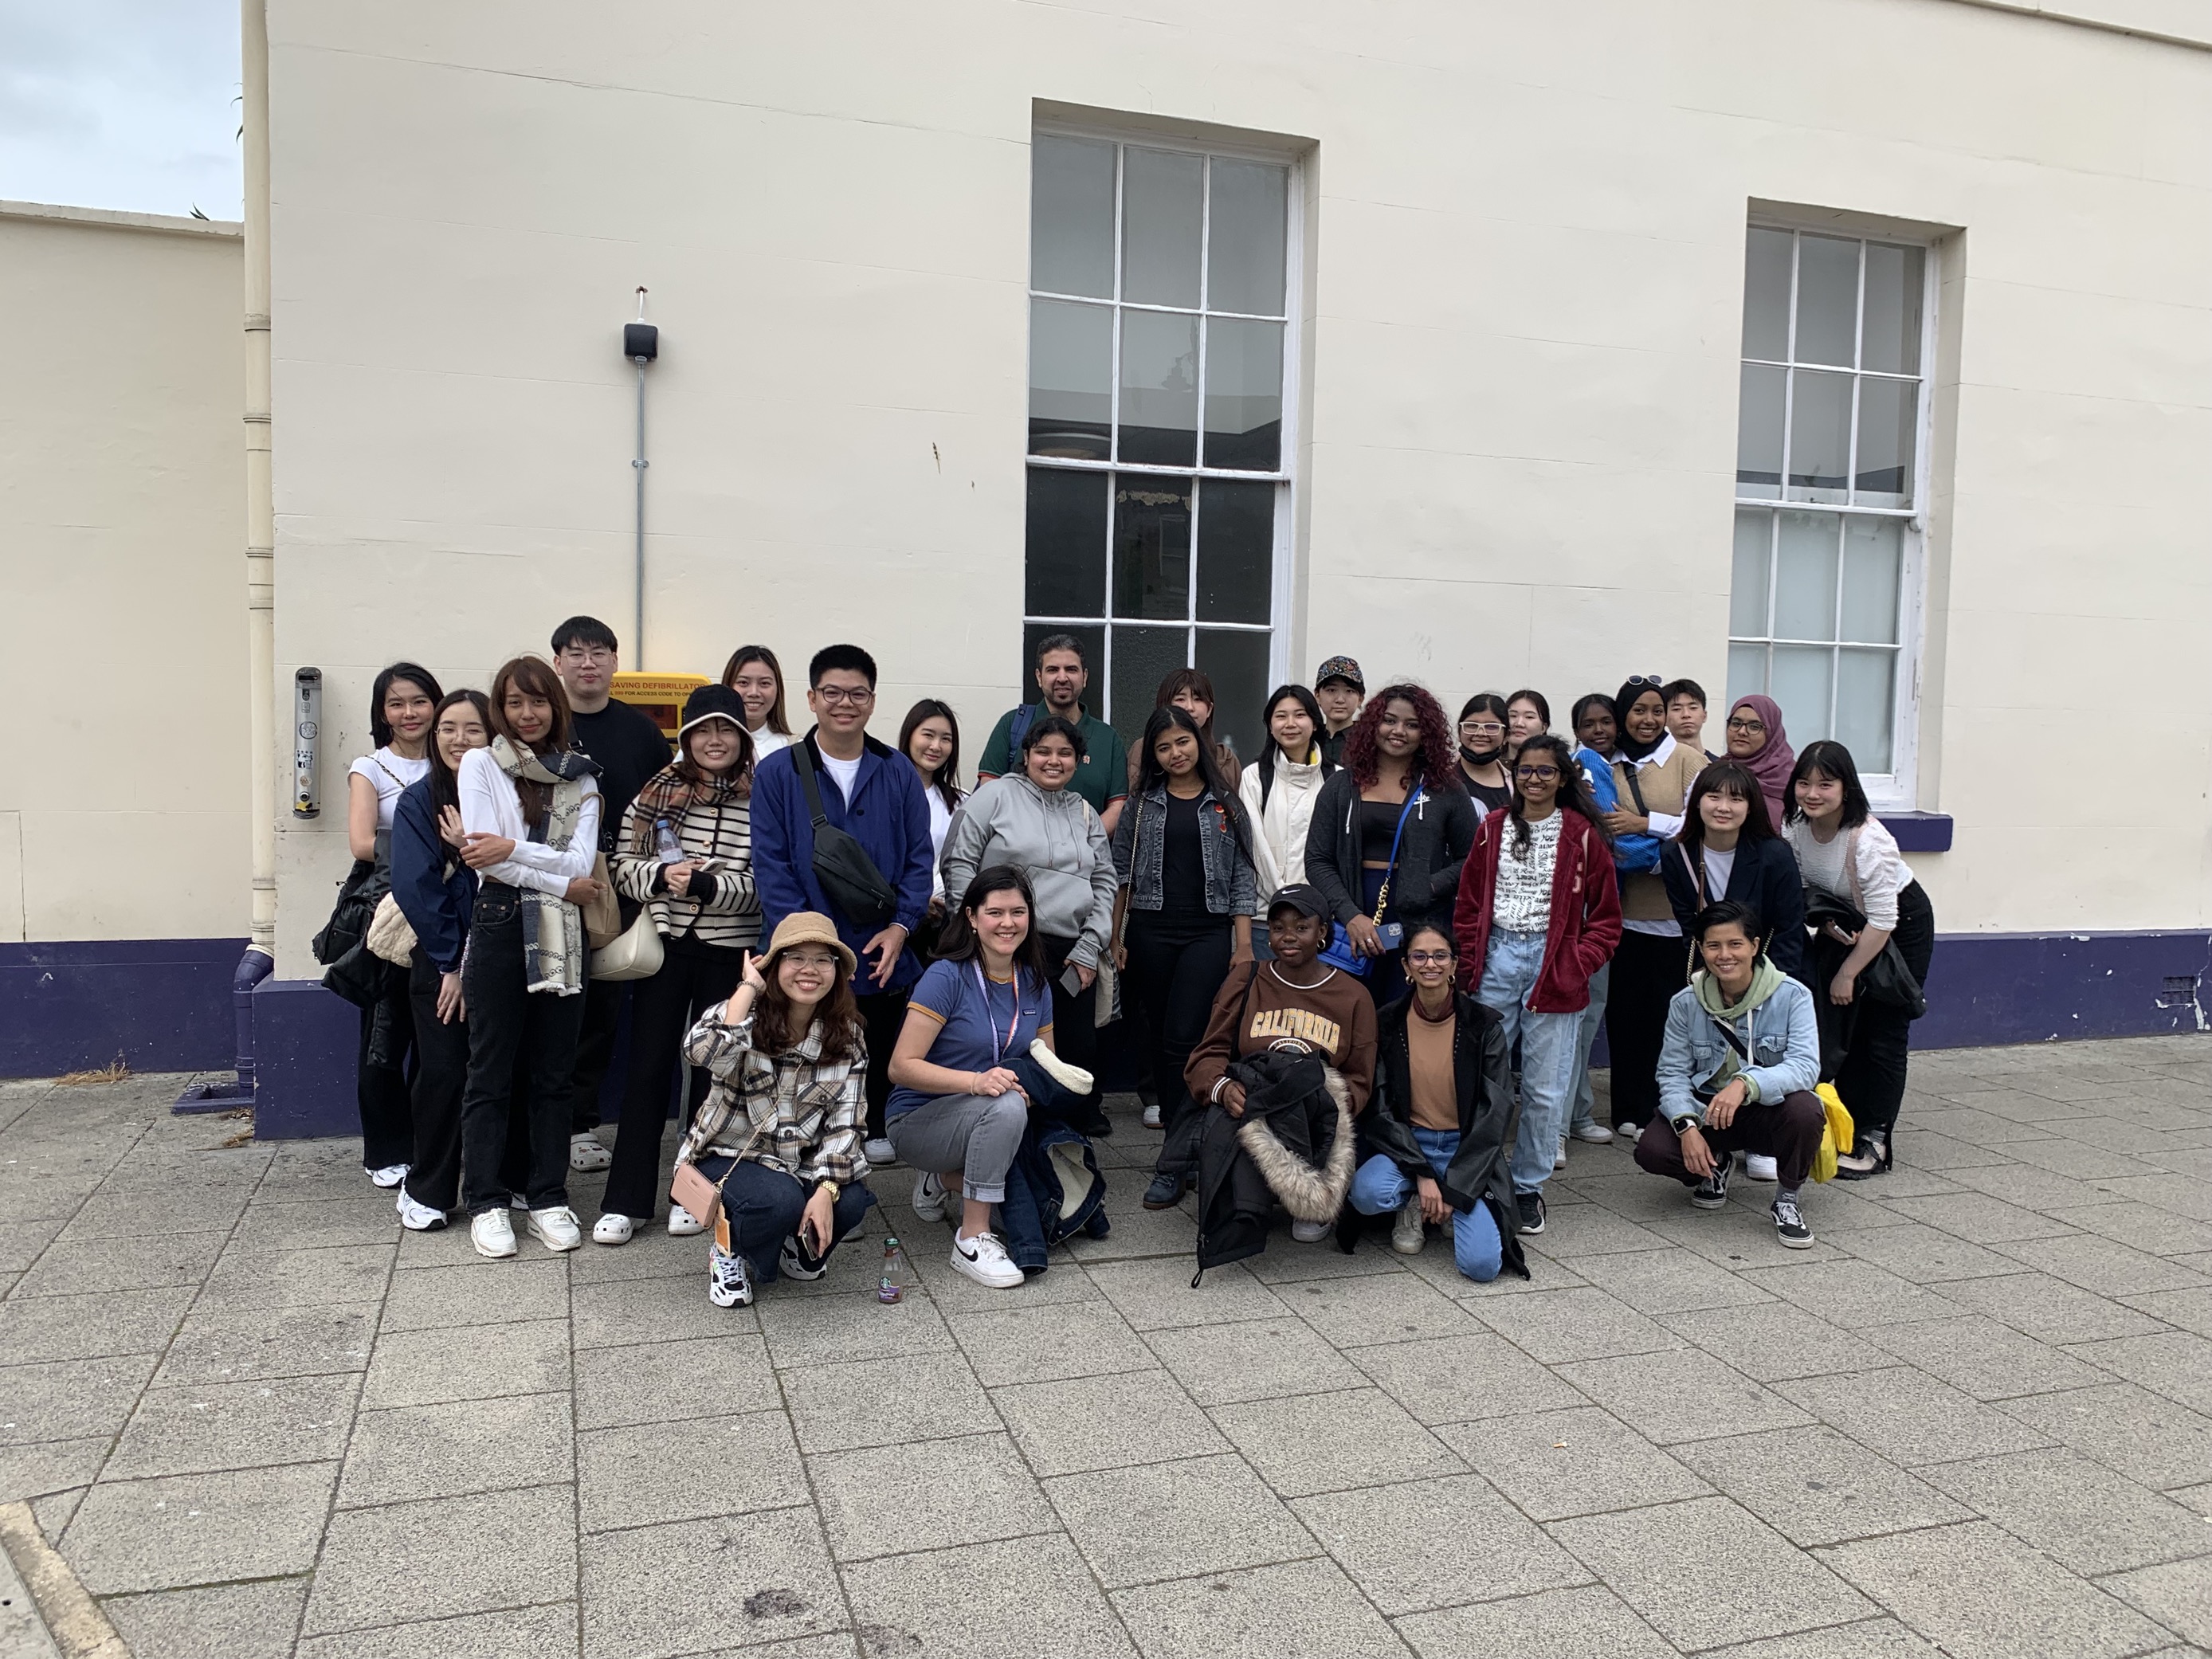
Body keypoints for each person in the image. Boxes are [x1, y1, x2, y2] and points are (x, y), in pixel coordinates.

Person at [751, 644, 935, 1171]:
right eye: (832, 692)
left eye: (857, 693)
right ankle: (807, 1153)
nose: (844, 703)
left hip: (880, 944)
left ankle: (868, 1129)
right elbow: (772, 866)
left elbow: (919, 861)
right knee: (805, 1052)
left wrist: (902, 926)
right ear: (811, 698)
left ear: (873, 701)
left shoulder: (896, 771)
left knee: (872, 1047)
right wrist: (812, 946)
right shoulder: (778, 773)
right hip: (803, 947)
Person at [594, 685, 763, 1245]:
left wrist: (712, 884)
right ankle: (625, 1200)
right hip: (665, 946)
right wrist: (662, 878)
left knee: (715, 1074)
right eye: (703, 731)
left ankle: (692, 1193)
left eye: (726, 730)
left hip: (728, 947)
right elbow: (621, 865)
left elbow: (769, 882)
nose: (715, 741)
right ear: (686, 738)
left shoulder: (764, 796)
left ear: (742, 737)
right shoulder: (657, 790)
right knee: (648, 1068)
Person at [456, 656, 606, 1258]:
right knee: (490, 1071)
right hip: (496, 925)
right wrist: (555, 877)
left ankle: (547, 1196)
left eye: (538, 702)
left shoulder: (582, 778)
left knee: (551, 1073)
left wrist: (516, 848)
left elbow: (579, 863)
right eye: (515, 702)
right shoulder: (479, 764)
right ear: (501, 707)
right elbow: (481, 857)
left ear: (556, 706)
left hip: (561, 935)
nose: (527, 713)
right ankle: (487, 1201)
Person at [888, 866, 1091, 1288]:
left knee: (1035, 1190)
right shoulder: (945, 976)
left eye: (1018, 912)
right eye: (995, 912)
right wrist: (975, 1082)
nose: (1007, 923)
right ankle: (971, 1238)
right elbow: (901, 1066)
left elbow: (1045, 1066)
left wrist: (1033, 1092)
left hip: (994, 1114)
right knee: (1004, 1107)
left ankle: (942, 1178)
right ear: (971, 918)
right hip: (919, 1118)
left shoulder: (1035, 983)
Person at [1452, 735, 1622, 1235]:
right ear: (1513, 774)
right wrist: (1470, 962)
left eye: (1546, 771)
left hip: (1554, 963)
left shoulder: (1582, 835)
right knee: (1486, 1078)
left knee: (1546, 1089)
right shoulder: (1492, 828)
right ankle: (1480, 1173)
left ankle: (1528, 1187)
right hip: (1498, 958)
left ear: (1563, 778)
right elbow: (1467, 905)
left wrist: (1576, 962)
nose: (1534, 779)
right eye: (1526, 770)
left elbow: (1607, 921)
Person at [673, 912, 876, 1308]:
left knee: (849, 1200)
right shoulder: (742, 1013)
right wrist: (749, 985)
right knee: (779, 1201)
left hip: (798, 1160)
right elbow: (702, 1053)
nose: (809, 970)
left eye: (823, 960)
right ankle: (728, 1251)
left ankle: (793, 1245)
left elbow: (847, 1123)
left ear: (837, 971)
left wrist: (826, 1188)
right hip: (729, 1157)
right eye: (796, 957)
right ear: (774, 964)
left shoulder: (848, 1035)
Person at [939, 716, 1116, 1136]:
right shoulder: (995, 796)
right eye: (1043, 751)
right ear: (1026, 756)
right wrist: (976, 929)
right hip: (1007, 942)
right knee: (1010, 1039)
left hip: (1071, 950)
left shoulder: (1086, 814)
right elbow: (958, 859)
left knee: (1075, 1046)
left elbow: (1105, 880)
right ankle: (1000, 1123)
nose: (1053, 761)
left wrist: (1091, 945)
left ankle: (1062, 1134)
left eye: (1064, 753)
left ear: (1078, 760)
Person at [1112, 706, 1257, 1201]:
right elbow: (1121, 875)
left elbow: (1243, 877)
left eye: (1183, 742)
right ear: (1153, 754)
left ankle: (1175, 1157)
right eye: (1164, 746)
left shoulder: (1225, 803)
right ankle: (1182, 1145)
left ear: (1199, 742)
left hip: (1207, 933)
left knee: (1186, 1037)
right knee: (1158, 1037)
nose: (1175, 753)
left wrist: (1242, 946)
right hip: (1150, 933)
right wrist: (1116, 937)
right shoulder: (1142, 803)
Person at [1184, 884, 1378, 1242]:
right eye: (1277, 928)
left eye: (1301, 927)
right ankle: (1248, 1201)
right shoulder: (1247, 979)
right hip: (1255, 1106)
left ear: (1322, 932)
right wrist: (1223, 1089)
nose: (1288, 937)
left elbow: (1360, 1079)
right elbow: (1208, 1053)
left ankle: (1311, 1197)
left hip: (1313, 1115)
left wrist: (1321, 1107)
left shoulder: (1353, 996)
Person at [551, 617, 673, 1176]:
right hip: (546, 881)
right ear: (558, 663)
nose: (587, 663)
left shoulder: (640, 731)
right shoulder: (543, 722)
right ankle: (540, 1120)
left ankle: (579, 1124)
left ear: (615, 663)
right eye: (574, 653)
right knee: (549, 1007)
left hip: (615, 884)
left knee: (600, 1008)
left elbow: (663, 808)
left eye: (598, 652)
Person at [1635, 900, 1825, 1248]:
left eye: (1735, 944)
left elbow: (1805, 1066)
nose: (1725, 955)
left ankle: (1787, 1200)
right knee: (1653, 1149)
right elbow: (1672, 1073)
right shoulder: (1685, 1002)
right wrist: (1686, 1126)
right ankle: (1716, 1165)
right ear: (1701, 949)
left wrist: (1745, 1083)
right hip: (1709, 1109)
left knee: (1806, 1110)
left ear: (1754, 946)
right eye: (1713, 945)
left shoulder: (1793, 996)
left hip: (1766, 1107)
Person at [1785, 740, 1935, 1179]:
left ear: (1846, 789)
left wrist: (1848, 973)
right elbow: (1805, 891)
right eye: (1804, 783)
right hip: (1846, 923)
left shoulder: (1870, 841)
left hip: (1899, 926)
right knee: (1838, 1027)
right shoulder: (1795, 827)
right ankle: (1841, 1129)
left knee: (1883, 1032)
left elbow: (1886, 917)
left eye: (1825, 785)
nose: (1812, 794)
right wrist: (1828, 925)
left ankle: (1876, 1143)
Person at [1347, 924, 1524, 1281]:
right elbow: (1379, 1108)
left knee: (1482, 1267)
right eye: (1420, 956)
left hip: (1467, 1149)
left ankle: (1452, 1200)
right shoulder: (1387, 1022)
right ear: (1406, 967)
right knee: (1365, 1193)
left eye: (1441, 955)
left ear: (1455, 964)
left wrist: (1456, 1184)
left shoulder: (1483, 1025)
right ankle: (1417, 1200)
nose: (1431, 964)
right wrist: (1423, 1172)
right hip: (1411, 1145)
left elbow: (1495, 1112)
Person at [389, 688, 496, 1230]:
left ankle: (498, 1185)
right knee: (445, 1072)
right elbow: (417, 887)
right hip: (443, 962)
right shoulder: (419, 801)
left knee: (498, 1074)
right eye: (448, 729)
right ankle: (428, 1186)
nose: (459, 739)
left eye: (472, 729)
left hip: (500, 954)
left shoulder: (507, 794)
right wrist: (453, 963)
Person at [1305, 683, 1476, 1008]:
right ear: (1372, 725)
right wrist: (1351, 916)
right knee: (1349, 1013)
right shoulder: (1342, 786)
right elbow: (1317, 859)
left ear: (1426, 733)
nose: (1399, 731)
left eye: (1412, 725)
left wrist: (1430, 884)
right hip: (1351, 912)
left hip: (1420, 917)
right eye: (1389, 720)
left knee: (1405, 1013)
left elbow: (1473, 857)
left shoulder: (1445, 789)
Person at [346, 661, 443, 1188]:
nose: (410, 713)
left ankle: (430, 1144)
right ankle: (385, 1150)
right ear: (383, 714)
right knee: (383, 1034)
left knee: (438, 1038)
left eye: (420, 701)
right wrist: (429, 844)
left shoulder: (457, 761)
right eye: (397, 704)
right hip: (387, 916)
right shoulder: (371, 768)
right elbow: (362, 843)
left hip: (443, 912)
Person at [1602, 675, 1705, 1140]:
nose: (1649, 720)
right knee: (1627, 1016)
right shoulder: (1610, 764)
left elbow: (1706, 818)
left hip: (1674, 913)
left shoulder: (1687, 760)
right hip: (1623, 912)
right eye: (1639, 711)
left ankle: (1673, 1106)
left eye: (1657, 711)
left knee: (1673, 1016)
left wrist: (1645, 823)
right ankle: (1629, 1106)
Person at [1663, 761, 1806, 981]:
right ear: (1697, 802)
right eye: (1714, 797)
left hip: (1769, 970)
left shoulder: (1775, 854)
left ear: (1750, 807)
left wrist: (1775, 986)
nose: (1723, 807)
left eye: (1736, 799)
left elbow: (1789, 928)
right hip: (1713, 972)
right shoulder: (1676, 853)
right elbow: (1689, 927)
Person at [975, 633, 1131, 833]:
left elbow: (1118, 807)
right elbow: (990, 790)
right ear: (1039, 677)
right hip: (1017, 853)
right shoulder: (1012, 725)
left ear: (1084, 677)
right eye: (1053, 670)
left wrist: (1080, 842)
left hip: (1085, 856)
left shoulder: (1108, 738)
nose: (1062, 678)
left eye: (1071, 670)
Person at [1562, 692, 1628, 1150]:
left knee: (1585, 1021)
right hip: (1575, 918)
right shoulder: (1585, 767)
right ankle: (1561, 1124)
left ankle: (1576, 1111)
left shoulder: (1615, 766)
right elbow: (1615, 841)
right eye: (1590, 723)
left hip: (1598, 916)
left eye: (1607, 722)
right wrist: (1666, 840)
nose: (1600, 730)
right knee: (1573, 1022)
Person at [1237, 684, 1338, 911]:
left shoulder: (1337, 778)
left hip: (1322, 916)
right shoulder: (1254, 777)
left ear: (1314, 724)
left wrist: (1316, 904)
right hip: (1266, 916)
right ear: (1271, 727)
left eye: (1300, 715)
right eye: (1281, 716)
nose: (1290, 724)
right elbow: (1254, 847)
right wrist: (1286, 899)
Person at [899, 698, 964, 935]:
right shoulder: (885, 795)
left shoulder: (961, 803)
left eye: (946, 739)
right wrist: (916, 899)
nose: (936, 746)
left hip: (944, 925)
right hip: (892, 920)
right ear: (909, 736)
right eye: (928, 735)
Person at [1153, 668, 1243, 793]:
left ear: (1209, 709)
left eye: (1198, 699)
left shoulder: (1226, 759)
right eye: (1180, 699)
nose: (1189, 707)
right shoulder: (1142, 749)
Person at [1722, 694, 1796, 833]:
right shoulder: (1717, 772)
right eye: (1736, 723)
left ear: (1772, 732)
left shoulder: (1795, 778)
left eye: (1754, 726)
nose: (1742, 732)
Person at [721, 645, 794, 762]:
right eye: (743, 682)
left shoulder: (794, 750)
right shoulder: (703, 747)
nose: (754, 693)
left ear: (778, 689)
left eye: (764, 683)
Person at [1454, 692, 1513, 815]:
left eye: (1491, 727)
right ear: (1459, 731)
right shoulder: (1437, 776)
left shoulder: (1518, 785)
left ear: (1507, 735)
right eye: (1471, 726)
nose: (1480, 733)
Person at [1313, 656, 1365, 767]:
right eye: (1331, 690)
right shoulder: (1309, 738)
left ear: (1360, 699)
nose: (1340, 700)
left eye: (1349, 691)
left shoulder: (1367, 741)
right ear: (1317, 696)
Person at [1664, 678, 1713, 759]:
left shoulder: (1718, 766)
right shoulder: (1656, 765)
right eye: (1677, 709)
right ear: (1664, 719)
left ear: (1704, 715)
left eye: (1693, 708)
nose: (1686, 715)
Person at [1504, 689, 1551, 760]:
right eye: (1513, 716)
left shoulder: (1554, 765)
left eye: (1529, 717)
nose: (1519, 724)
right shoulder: (1488, 764)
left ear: (1543, 728)